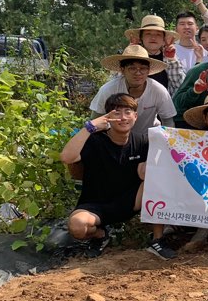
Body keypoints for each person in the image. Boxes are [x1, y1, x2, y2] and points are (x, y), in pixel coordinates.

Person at [60, 93, 175, 259]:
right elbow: (66, 157)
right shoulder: (95, 141)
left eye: (128, 112)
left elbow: (169, 164)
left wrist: (148, 168)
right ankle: (101, 236)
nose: (123, 118)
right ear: (107, 117)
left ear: (135, 116)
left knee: (156, 176)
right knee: (77, 227)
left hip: (130, 202)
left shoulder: (143, 141)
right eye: (116, 113)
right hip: (95, 204)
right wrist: (89, 127)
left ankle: (158, 239)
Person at [91, 45, 175, 137]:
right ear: (122, 70)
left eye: (143, 68)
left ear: (148, 71)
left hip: (147, 138)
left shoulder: (158, 90)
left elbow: (168, 121)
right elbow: (96, 119)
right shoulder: (108, 89)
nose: (138, 73)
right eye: (132, 68)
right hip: (115, 139)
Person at [124, 14, 186, 94]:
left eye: (158, 34)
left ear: (163, 39)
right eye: (148, 34)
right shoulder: (132, 56)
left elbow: (181, 86)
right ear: (141, 38)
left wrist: (171, 59)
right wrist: (129, 54)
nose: (153, 37)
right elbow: (117, 83)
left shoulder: (170, 58)